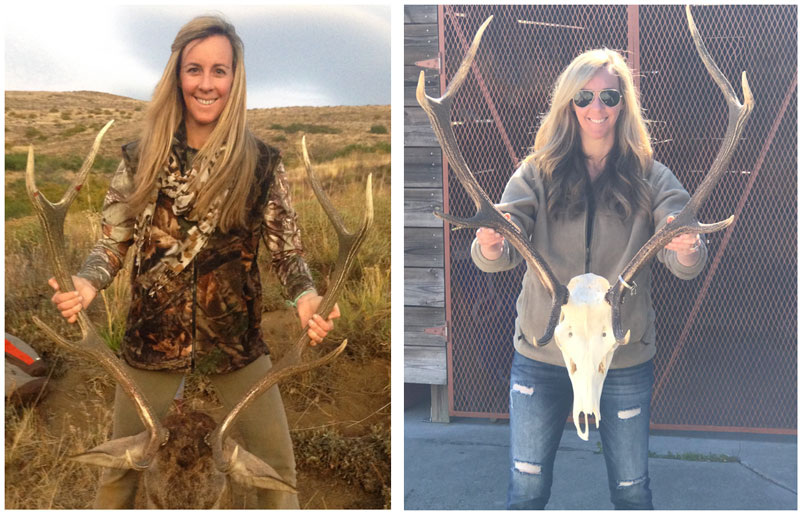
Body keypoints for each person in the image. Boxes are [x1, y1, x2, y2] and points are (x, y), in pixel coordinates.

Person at [48, 15, 339, 509]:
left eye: (219, 71)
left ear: (235, 78)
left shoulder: (262, 162)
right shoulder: (142, 157)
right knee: (120, 479)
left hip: (235, 343)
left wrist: (306, 296)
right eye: (195, 69)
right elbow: (112, 243)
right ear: (177, 76)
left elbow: (287, 252)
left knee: (278, 473)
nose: (207, 83)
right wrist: (87, 281)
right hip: (152, 339)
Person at [470, 48, 707, 509]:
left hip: (620, 358)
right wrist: (493, 242)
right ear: (568, 102)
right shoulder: (535, 173)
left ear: (624, 103)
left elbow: (680, 240)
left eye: (608, 96)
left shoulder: (652, 177)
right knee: (527, 489)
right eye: (584, 96)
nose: (596, 108)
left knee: (632, 490)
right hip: (542, 354)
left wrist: (687, 245)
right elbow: (503, 236)